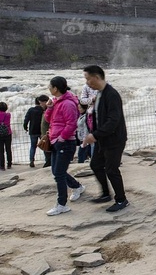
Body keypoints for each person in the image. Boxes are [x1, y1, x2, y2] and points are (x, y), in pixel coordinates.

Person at [82, 65, 129, 213]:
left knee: (111, 169)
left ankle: (121, 200)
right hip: (102, 138)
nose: (87, 82)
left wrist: (94, 135)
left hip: (114, 139)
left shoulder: (111, 94)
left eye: (88, 78)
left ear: (96, 77)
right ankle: (106, 194)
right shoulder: (100, 93)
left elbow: (113, 120)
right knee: (95, 164)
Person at [43, 76, 85, 215]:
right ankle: (77, 187)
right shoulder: (56, 102)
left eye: (50, 86)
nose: (49, 88)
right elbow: (49, 119)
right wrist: (49, 108)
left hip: (64, 143)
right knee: (56, 172)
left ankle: (62, 204)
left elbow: (71, 124)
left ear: (56, 88)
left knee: (59, 174)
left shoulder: (67, 104)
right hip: (57, 141)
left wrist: (61, 138)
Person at [23, 96, 48, 167]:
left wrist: (25, 127)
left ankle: (31, 160)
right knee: (44, 145)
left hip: (33, 131)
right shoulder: (43, 110)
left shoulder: (31, 110)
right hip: (41, 131)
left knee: (33, 146)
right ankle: (47, 159)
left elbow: (26, 120)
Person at [0, 101, 13, 171]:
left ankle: (2, 166)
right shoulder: (8, 115)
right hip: (8, 133)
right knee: (8, 149)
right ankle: (9, 164)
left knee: (1, 150)